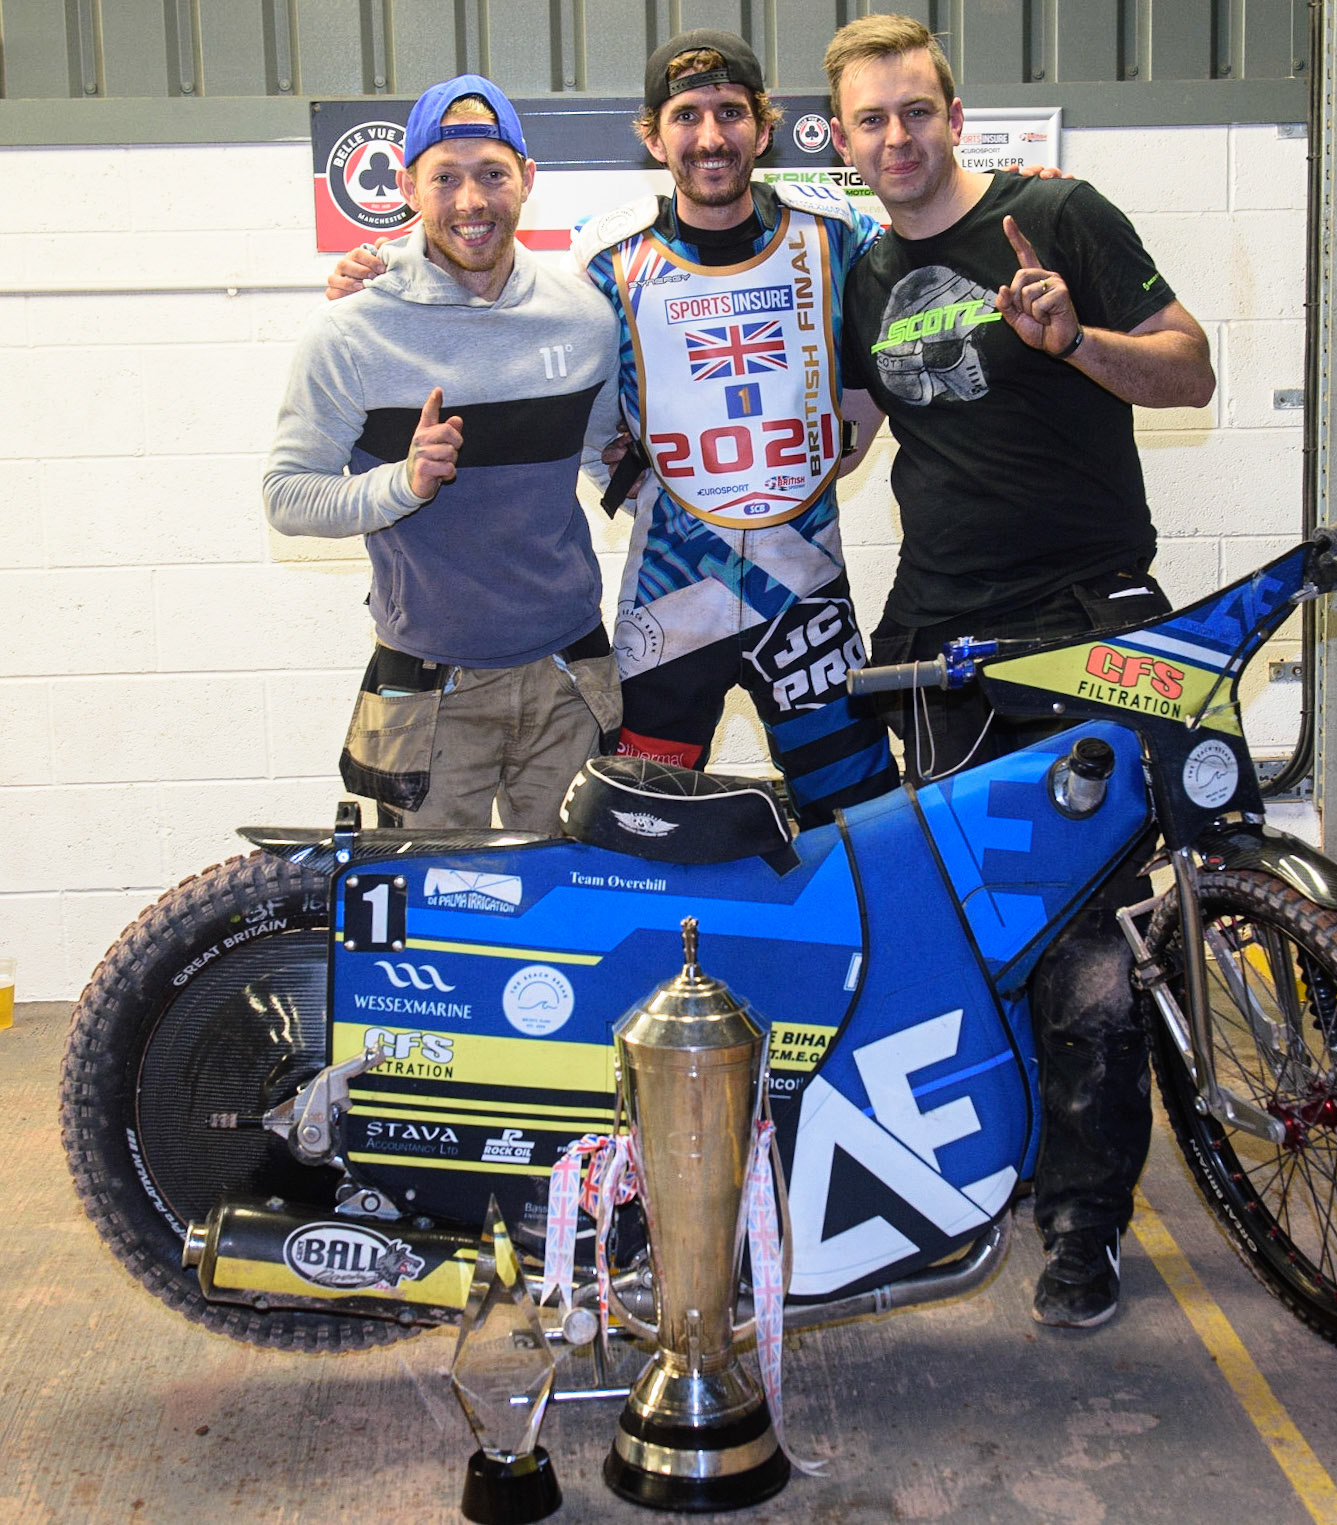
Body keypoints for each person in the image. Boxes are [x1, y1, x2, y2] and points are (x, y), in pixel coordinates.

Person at [824, 15, 1216, 1328]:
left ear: (953, 115)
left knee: (1085, 944)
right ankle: (1007, 1171)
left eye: (914, 112)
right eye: (870, 120)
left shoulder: (1057, 216)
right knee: (975, 937)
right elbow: (853, 427)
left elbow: (1190, 365)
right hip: (939, 646)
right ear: (842, 139)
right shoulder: (867, 273)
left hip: (1083, 622)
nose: (895, 137)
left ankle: (1084, 1225)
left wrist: (1075, 344)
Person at [265, 75, 623, 832]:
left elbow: (603, 459)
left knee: (574, 918)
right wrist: (401, 483)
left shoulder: (584, 318)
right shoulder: (349, 333)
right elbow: (287, 497)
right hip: (428, 691)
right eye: (446, 178)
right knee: (431, 928)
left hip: (570, 674)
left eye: (492, 174)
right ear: (407, 187)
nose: (471, 202)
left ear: (527, 179)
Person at [568, 29, 900, 828]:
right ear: (653, 135)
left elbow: (941, 251)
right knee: (639, 841)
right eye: (686, 116)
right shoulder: (607, 258)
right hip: (670, 605)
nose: (710, 137)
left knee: (863, 832)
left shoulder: (835, 234)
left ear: (763, 124)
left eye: (729, 112)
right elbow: (537, 361)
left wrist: (1018, 194)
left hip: (806, 596)